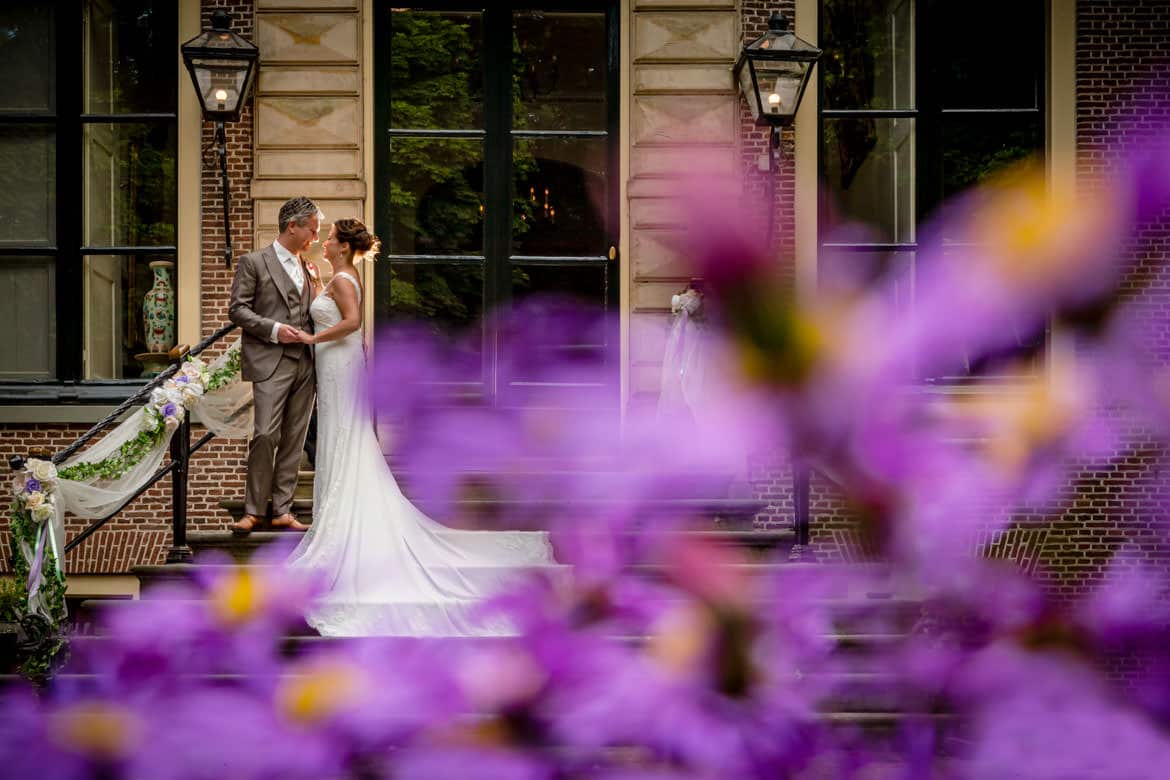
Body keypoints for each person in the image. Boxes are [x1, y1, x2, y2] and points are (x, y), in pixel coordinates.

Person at [285, 218, 556, 636]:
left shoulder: (341, 278)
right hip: (339, 362)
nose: (324, 242)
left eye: (330, 238)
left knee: (343, 437)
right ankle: (337, 514)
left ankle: (342, 521)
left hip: (336, 360)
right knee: (343, 439)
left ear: (342, 247)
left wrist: (309, 340)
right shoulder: (341, 274)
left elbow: (353, 322)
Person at [227, 196, 322, 534]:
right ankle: (253, 510)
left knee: (295, 439)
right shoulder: (253, 262)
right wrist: (275, 330)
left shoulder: (310, 267)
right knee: (266, 433)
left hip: (306, 364)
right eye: (311, 230)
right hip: (271, 359)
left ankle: (282, 509)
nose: (315, 237)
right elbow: (237, 310)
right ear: (292, 226)